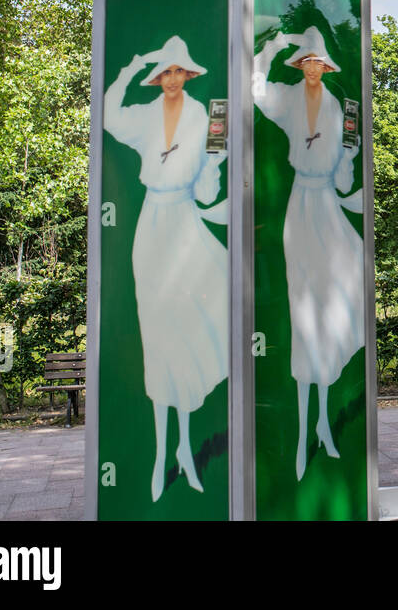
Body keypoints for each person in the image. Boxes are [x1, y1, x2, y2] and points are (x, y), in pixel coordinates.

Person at [103, 35, 228, 502]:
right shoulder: (143, 116)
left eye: (179, 72)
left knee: (186, 332)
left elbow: (207, 184)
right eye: (166, 72)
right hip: (152, 226)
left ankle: (184, 450)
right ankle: (161, 456)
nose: (172, 79)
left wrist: (218, 160)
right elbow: (109, 116)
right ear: (158, 78)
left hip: (186, 223)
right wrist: (131, 66)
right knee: (157, 336)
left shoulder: (203, 116)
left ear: (188, 76)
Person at [254, 26, 364, 480]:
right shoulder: (287, 98)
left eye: (320, 62)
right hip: (302, 205)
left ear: (326, 67)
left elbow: (344, 158)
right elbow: (255, 88)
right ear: (301, 67)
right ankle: (303, 433)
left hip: (328, 205)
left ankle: (323, 420)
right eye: (308, 62)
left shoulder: (337, 105)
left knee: (341, 288)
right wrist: (273, 45)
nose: (315, 67)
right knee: (304, 308)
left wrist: (349, 169)